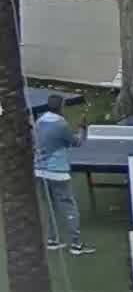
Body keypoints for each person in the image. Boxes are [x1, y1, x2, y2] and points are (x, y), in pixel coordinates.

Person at [33, 97, 92, 255]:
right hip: (57, 173)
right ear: (62, 106)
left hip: (39, 171)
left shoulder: (39, 121)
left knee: (50, 206)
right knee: (69, 207)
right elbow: (77, 142)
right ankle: (76, 245)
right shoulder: (61, 124)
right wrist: (82, 128)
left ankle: (52, 240)